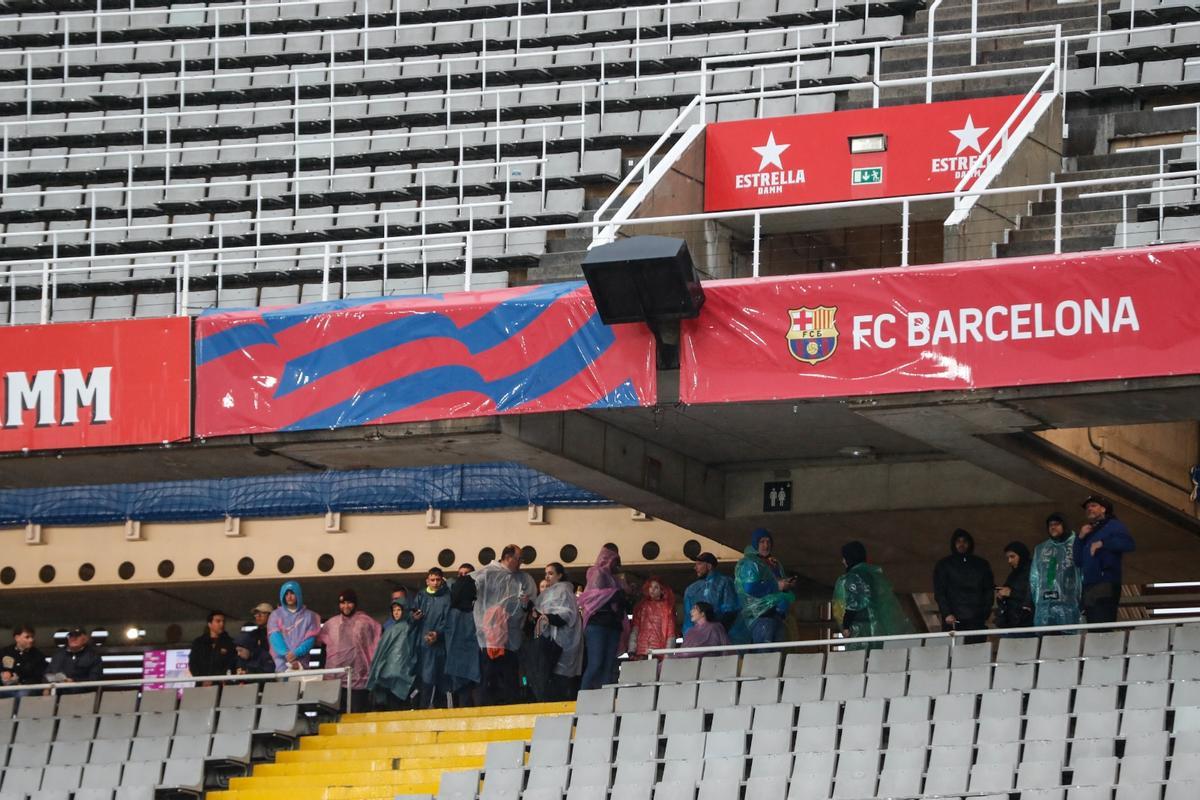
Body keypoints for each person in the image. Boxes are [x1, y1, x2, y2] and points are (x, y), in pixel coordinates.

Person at [471, 544, 538, 705]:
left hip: (511, 638)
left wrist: (525, 604)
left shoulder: (523, 579)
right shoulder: (487, 574)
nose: (521, 562)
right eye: (519, 558)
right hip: (490, 638)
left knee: (509, 680)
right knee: (489, 679)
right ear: (508, 557)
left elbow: (531, 606)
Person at [832, 541, 913, 650]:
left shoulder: (852, 578)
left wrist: (846, 625)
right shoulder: (877, 576)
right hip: (881, 629)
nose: (843, 561)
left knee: (861, 662)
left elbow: (854, 603)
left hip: (861, 631)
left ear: (849, 558)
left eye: (844, 558)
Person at [1075, 494, 1136, 624]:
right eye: (1087, 507)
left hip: (1106, 582)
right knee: (1092, 626)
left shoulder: (1114, 525)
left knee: (1102, 623)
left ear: (1103, 509)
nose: (1089, 509)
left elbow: (1128, 544)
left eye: (1093, 505)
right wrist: (1080, 538)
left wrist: (1103, 543)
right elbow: (1078, 560)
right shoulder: (1088, 532)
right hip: (1089, 585)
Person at [318, 588, 382, 711]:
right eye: (343, 603)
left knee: (356, 714)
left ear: (355, 604)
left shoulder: (365, 622)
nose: (346, 606)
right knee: (336, 714)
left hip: (358, 680)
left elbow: (376, 643)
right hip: (334, 679)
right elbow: (323, 649)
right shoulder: (331, 624)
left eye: (349, 602)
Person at [578, 545, 629, 690]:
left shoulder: (615, 579)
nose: (616, 565)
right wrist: (616, 594)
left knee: (608, 665)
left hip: (612, 624)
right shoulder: (596, 573)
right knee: (596, 663)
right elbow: (594, 596)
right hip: (597, 624)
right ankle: (584, 698)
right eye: (614, 560)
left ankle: (603, 700)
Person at [735, 528, 797, 644]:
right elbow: (750, 588)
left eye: (768, 542)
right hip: (761, 617)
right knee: (764, 656)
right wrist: (777, 586)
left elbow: (776, 583)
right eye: (762, 542)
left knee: (777, 656)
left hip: (778, 616)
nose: (766, 545)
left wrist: (786, 584)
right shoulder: (751, 563)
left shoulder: (772, 563)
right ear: (755, 544)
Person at [531, 562, 583, 701]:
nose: (547, 576)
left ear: (560, 575)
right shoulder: (551, 592)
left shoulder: (564, 591)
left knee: (559, 681)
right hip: (549, 641)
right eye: (546, 573)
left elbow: (566, 614)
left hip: (562, 643)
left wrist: (548, 617)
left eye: (551, 573)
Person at [933, 529, 994, 642]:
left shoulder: (981, 564)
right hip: (953, 620)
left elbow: (988, 590)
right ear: (953, 544)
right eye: (958, 541)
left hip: (976, 619)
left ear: (970, 543)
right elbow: (940, 591)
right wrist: (947, 613)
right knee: (954, 654)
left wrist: (984, 613)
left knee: (976, 651)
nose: (961, 544)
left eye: (965, 541)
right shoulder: (944, 565)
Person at [367, 596, 419, 711]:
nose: (396, 613)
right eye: (394, 610)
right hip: (389, 676)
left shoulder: (409, 628)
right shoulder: (390, 629)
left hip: (400, 675)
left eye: (399, 610)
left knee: (400, 705)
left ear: (404, 610)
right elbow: (381, 653)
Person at [1031, 512, 1082, 628]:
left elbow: (1082, 575)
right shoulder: (1040, 549)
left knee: (1067, 641)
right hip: (1044, 609)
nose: (1053, 527)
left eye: (1057, 524)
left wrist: (1081, 601)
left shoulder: (1077, 544)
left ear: (1065, 525)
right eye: (1050, 525)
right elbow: (1034, 578)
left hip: (1069, 606)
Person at [411, 568, 452, 708]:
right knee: (425, 683)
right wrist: (415, 618)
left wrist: (438, 634)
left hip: (440, 647)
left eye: (438, 580)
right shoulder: (421, 596)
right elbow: (411, 619)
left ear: (442, 580)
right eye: (432, 580)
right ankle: (424, 712)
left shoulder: (447, 597)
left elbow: (449, 621)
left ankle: (442, 713)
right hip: (424, 647)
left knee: (441, 684)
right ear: (427, 580)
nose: (435, 583)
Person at [681, 553, 743, 642]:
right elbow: (688, 619)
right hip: (700, 640)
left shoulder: (724, 582)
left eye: (699, 564)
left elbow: (730, 612)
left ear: (709, 566)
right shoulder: (691, 589)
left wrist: (716, 633)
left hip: (722, 639)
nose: (695, 568)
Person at [445, 566, 480, 707]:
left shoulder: (479, 607)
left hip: (469, 661)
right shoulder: (452, 610)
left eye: (466, 574)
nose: (463, 578)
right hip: (460, 662)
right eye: (461, 574)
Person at [268, 580, 321, 673]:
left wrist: (296, 653)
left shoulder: (309, 616)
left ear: (298, 594)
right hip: (282, 663)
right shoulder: (276, 615)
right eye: (286, 594)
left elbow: (310, 639)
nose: (289, 596)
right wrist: (286, 654)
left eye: (292, 593)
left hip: (302, 661)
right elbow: (274, 636)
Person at [629, 577, 677, 659]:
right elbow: (635, 628)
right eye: (650, 587)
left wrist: (667, 655)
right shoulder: (641, 607)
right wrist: (632, 649)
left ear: (662, 590)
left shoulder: (667, 608)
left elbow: (671, 633)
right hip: (641, 650)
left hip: (658, 651)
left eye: (656, 587)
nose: (652, 590)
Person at [994, 541, 1035, 632]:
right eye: (1008, 557)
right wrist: (1001, 595)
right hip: (1012, 622)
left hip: (1026, 622)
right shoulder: (1014, 574)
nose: (1009, 561)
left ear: (1022, 555)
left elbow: (1034, 595)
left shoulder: (1033, 571)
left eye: (1012, 556)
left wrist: (1011, 593)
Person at [188, 611, 237, 679]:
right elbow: (193, 663)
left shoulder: (230, 643)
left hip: (222, 684)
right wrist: (202, 679)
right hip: (201, 685)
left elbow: (232, 664)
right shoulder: (199, 642)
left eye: (223, 621)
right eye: (218, 621)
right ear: (209, 624)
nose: (222, 624)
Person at [1, 624, 47, 694]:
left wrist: (19, 680)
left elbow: (39, 676)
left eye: (32, 637)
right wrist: (4, 674)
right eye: (27, 637)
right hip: (5, 688)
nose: (31, 640)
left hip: (27, 688)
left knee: (22, 694)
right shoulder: (5, 652)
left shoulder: (38, 655)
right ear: (17, 638)